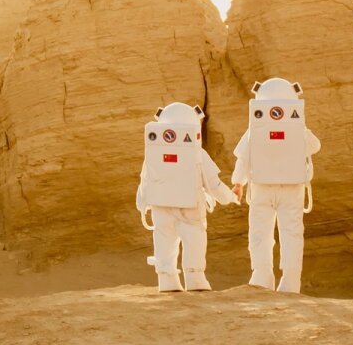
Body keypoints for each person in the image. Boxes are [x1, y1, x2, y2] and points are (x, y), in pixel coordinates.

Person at [230, 77, 321, 294]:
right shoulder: (297, 128)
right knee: (291, 234)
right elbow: (315, 146)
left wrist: (238, 182)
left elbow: (243, 157)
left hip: (262, 187)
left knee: (260, 233)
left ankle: (262, 275)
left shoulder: (256, 128)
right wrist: (297, 128)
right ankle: (290, 281)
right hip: (291, 188)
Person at [136, 101, 238, 292]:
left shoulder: (154, 153)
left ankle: (167, 280)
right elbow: (213, 184)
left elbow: (145, 179)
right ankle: (195, 279)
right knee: (194, 242)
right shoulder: (198, 154)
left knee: (164, 241)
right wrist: (229, 197)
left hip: (161, 208)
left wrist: (142, 202)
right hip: (191, 209)